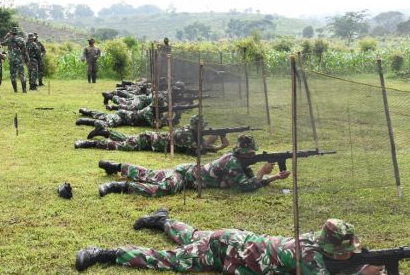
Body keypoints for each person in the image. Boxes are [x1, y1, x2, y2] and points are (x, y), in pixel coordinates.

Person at [75, 210, 384, 274]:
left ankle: (164, 220)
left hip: (236, 237)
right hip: (225, 251)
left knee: (194, 236)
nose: (348, 254)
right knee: (170, 259)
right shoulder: (311, 261)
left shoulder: (311, 241)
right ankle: (104, 253)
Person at [97, 134, 289, 197]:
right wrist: (263, 172)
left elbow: (249, 180)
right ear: (245, 152)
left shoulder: (237, 160)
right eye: (252, 152)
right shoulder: (232, 162)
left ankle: (116, 166)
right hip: (187, 176)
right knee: (164, 187)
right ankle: (120, 186)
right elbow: (245, 187)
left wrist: (274, 177)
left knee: (151, 174)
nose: (254, 154)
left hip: (188, 170)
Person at [75, 115, 229, 155]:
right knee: (124, 146)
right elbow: (199, 150)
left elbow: (202, 144)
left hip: (150, 137)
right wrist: (220, 145)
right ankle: (91, 143)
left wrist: (219, 138)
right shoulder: (187, 136)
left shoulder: (191, 133)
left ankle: (105, 132)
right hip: (150, 141)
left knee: (126, 139)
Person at [1, 26, 28, 93]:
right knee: (22, 74)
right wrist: (26, 58)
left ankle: (15, 91)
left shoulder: (9, 39)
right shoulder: (21, 39)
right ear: (17, 33)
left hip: (11, 59)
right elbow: (24, 50)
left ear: (11, 33)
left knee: (13, 75)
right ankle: (24, 90)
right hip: (19, 59)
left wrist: (6, 36)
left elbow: (2, 43)